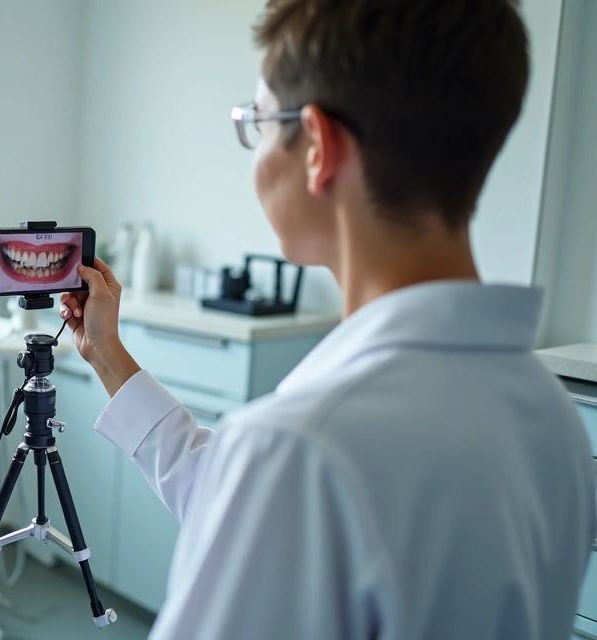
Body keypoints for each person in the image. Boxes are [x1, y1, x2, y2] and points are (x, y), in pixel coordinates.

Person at [59, 0, 596, 638]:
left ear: (317, 145)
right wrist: (108, 354)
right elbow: (243, 504)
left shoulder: (301, 450)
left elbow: (275, 493)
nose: (254, 150)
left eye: (257, 121)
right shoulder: (554, 423)